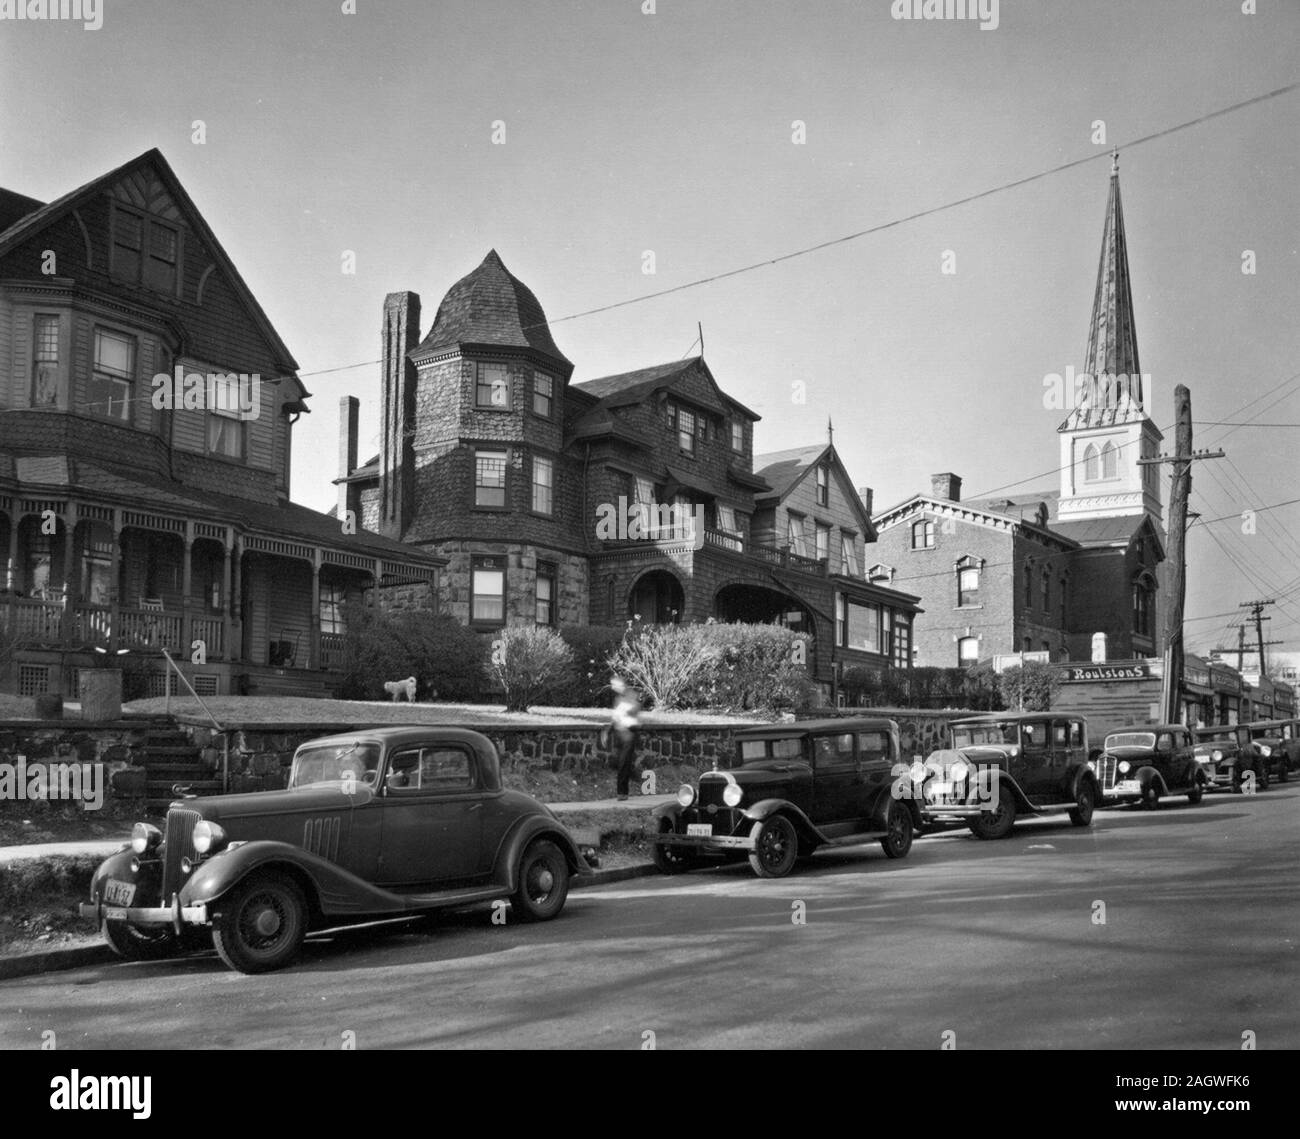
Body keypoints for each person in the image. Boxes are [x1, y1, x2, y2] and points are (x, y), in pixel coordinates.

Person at [609, 675, 642, 800]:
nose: (613, 687)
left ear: (621, 684)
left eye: (614, 684)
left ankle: (622, 793)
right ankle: (633, 774)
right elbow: (616, 716)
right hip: (620, 734)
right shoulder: (618, 698)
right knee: (618, 763)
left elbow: (635, 708)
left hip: (629, 733)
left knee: (623, 763)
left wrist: (624, 710)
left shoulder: (631, 695)